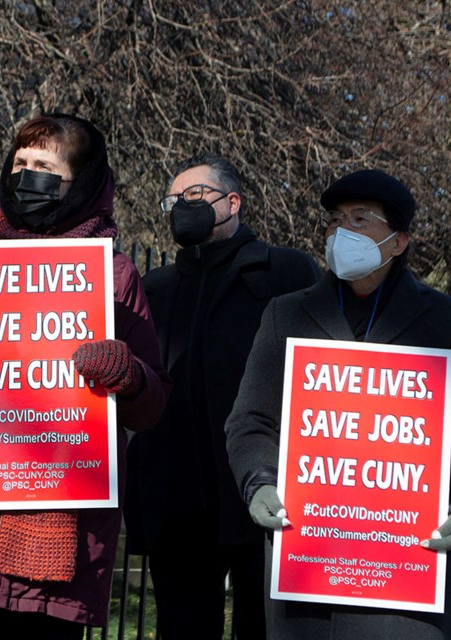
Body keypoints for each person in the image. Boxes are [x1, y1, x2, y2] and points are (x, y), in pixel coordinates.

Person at [0, 113, 170, 639]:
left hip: (64, 530)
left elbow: (153, 400)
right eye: (19, 162)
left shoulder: (113, 277)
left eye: (44, 166)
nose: (26, 176)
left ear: (82, 180)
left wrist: (126, 374)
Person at [224, 169, 451, 638]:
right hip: (308, 570)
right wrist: (260, 482)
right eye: (335, 220)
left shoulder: (447, 321)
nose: (340, 231)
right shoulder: (285, 314)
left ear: (397, 242)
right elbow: (250, 421)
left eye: (360, 218)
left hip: (407, 577)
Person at [125, 153, 320, 639]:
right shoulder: (156, 287)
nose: (179, 208)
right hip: (177, 502)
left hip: (266, 496)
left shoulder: (286, 273)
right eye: (172, 200)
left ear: (232, 203)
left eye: (193, 196)